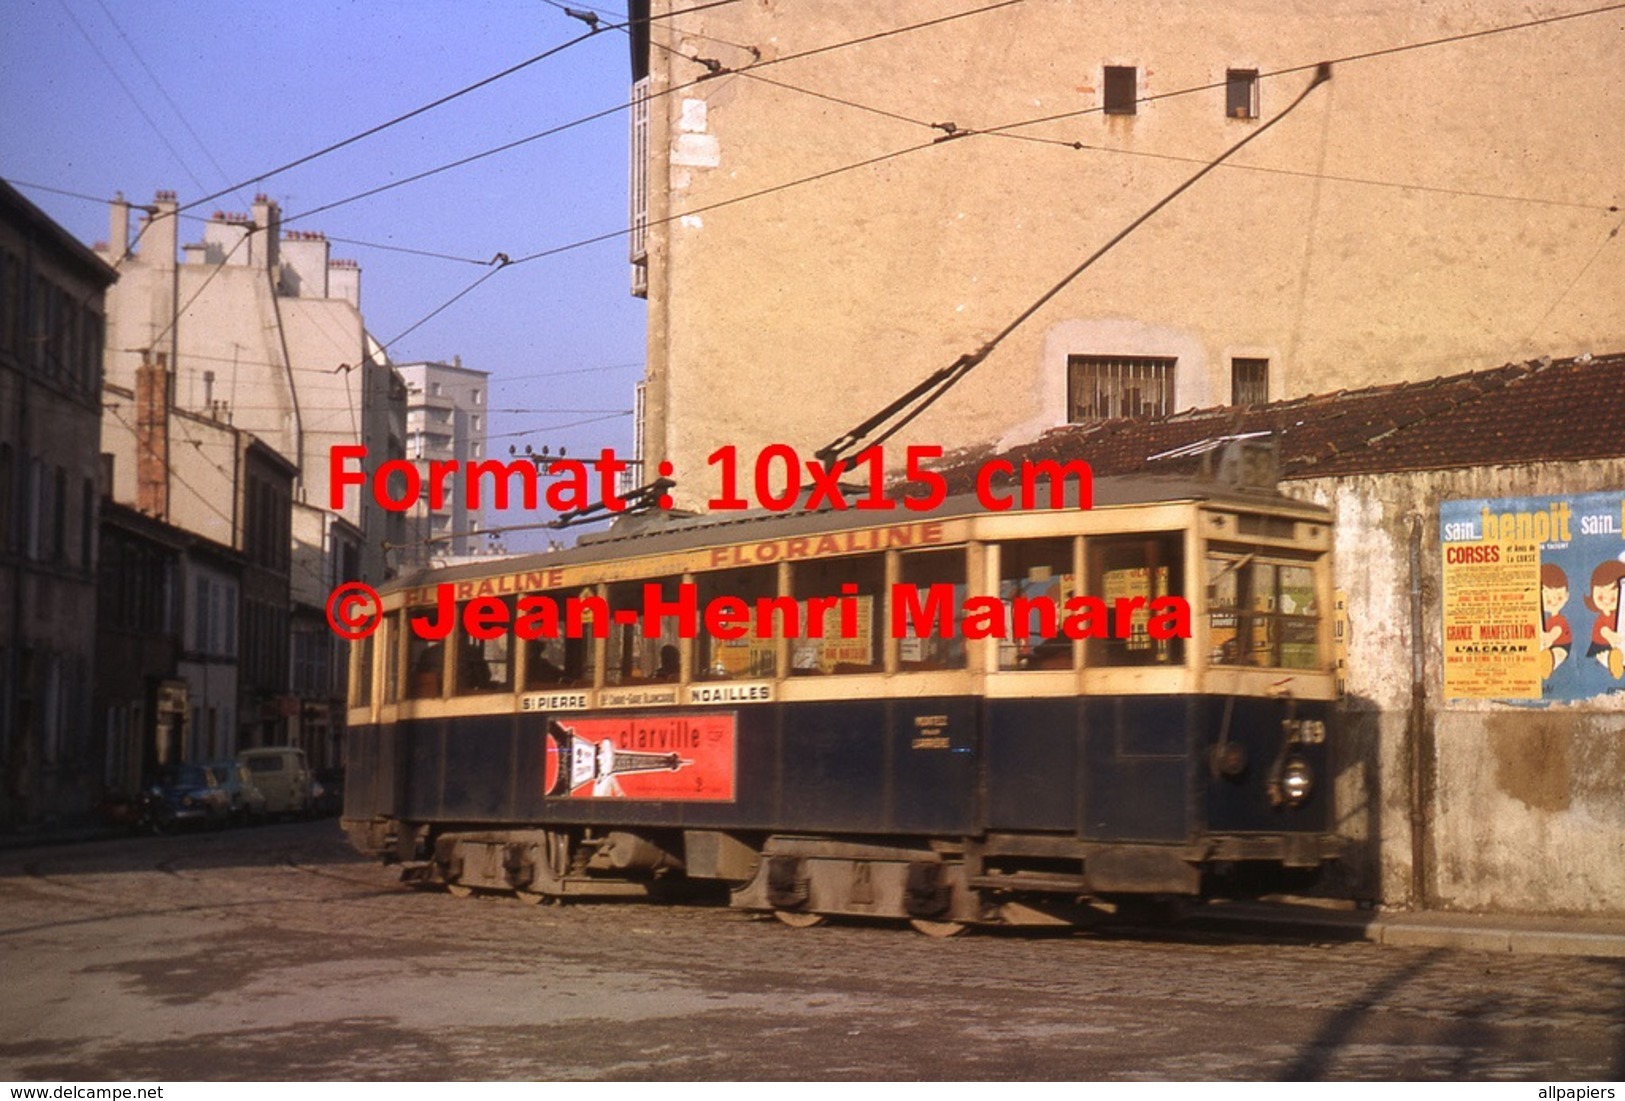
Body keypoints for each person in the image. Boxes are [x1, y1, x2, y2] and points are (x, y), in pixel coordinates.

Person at [1582, 560, 1625, 679]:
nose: (1606, 600)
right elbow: (1603, 630)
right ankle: (1613, 664)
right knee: (1604, 656)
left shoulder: (1620, 614)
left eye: (1612, 597)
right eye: (1601, 596)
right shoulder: (1602, 618)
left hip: (1619, 644)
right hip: (1602, 645)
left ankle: (1617, 663)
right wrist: (1611, 636)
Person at [1539, 563, 1572, 678]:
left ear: (1566, 596)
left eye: (1558, 597)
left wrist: (1549, 638)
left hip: (1561, 644)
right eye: (1547, 598)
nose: (1553, 601)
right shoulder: (1542, 619)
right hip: (1546, 645)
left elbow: (1556, 632)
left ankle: (1549, 665)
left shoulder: (1559, 620)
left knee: (1558, 654)